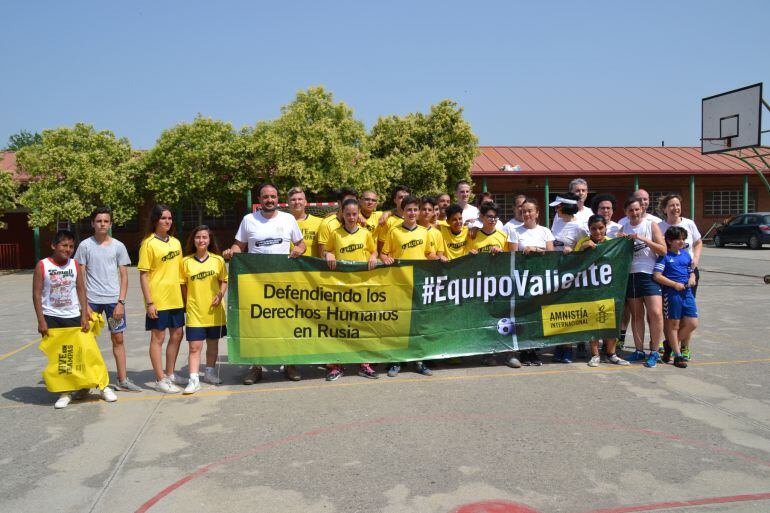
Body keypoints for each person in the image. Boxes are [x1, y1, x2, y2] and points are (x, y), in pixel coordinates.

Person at [224, 183, 306, 384]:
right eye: (265, 196)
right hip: (256, 285)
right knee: (257, 326)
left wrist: (299, 250)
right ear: (259, 200)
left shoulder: (288, 219)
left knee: (285, 323)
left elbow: (301, 244)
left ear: (278, 199)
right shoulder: (248, 220)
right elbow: (238, 245)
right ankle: (256, 367)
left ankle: (289, 363)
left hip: (283, 283)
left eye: (273, 196)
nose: (270, 200)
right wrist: (231, 251)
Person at [34, 230, 118, 408]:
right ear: (53, 246)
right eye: (64, 245)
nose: (68, 249)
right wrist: (41, 320)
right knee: (63, 358)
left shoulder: (74, 264)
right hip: (52, 317)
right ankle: (66, 392)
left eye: (71, 246)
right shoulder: (42, 265)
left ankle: (103, 386)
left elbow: (81, 290)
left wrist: (84, 314)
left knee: (88, 352)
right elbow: (36, 294)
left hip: (74, 315)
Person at [74, 207, 140, 392]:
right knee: (87, 340)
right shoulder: (85, 246)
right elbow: (80, 276)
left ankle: (122, 380)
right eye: (99, 221)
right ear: (93, 223)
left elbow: (124, 277)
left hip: (113, 301)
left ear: (110, 224)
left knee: (118, 338)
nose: (102, 224)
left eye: (106, 221)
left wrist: (121, 302)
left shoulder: (118, 246)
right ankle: (86, 382)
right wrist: (84, 304)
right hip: (92, 301)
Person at [381, 195, 437, 377]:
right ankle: (396, 361)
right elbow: (384, 253)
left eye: (415, 210)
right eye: (409, 210)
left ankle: (419, 361)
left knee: (418, 324)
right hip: (399, 284)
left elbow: (429, 254)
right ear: (402, 212)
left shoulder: (425, 232)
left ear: (419, 212)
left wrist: (439, 258)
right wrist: (385, 258)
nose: (412, 213)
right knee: (399, 324)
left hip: (419, 284)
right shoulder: (394, 231)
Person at [324, 199, 380, 380]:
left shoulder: (365, 234)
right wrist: (329, 253)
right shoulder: (335, 233)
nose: (351, 217)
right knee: (339, 326)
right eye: (347, 214)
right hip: (340, 286)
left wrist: (373, 256)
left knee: (362, 325)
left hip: (361, 286)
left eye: (354, 214)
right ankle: (337, 365)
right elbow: (327, 251)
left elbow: (374, 251)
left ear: (358, 214)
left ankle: (364, 364)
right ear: (342, 213)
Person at [138, 205, 186, 393]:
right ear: (156, 220)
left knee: (177, 334)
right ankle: (160, 379)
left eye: (170, 218)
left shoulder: (175, 242)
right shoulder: (148, 243)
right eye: (164, 218)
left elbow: (181, 273)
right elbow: (143, 275)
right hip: (158, 299)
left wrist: (185, 297)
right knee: (158, 337)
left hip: (175, 298)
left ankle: (170, 373)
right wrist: (149, 302)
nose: (168, 221)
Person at [618, 196, 667, 368]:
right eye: (630, 210)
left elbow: (663, 249)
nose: (634, 213)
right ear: (626, 212)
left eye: (637, 209)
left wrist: (642, 239)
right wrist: (622, 241)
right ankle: (639, 350)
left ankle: (654, 351)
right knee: (637, 315)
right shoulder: (622, 228)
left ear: (642, 209)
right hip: (631, 275)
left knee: (655, 313)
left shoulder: (650, 225)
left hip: (649, 274)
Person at [574, 215, 630, 367]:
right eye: (593, 228)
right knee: (593, 321)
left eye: (600, 228)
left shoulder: (613, 243)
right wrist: (583, 247)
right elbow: (573, 260)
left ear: (606, 228)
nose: (597, 231)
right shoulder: (583, 241)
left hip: (610, 288)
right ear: (589, 229)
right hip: (590, 288)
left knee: (611, 319)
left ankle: (611, 353)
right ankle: (595, 354)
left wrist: (624, 241)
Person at [507, 197, 555, 367]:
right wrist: (526, 252)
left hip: (540, 280)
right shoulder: (514, 231)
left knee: (538, 315)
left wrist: (534, 250)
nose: (526, 213)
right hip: (522, 281)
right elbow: (512, 256)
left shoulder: (545, 231)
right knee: (523, 315)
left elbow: (551, 254)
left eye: (530, 211)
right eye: (524, 211)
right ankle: (524, 350)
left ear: (537, 213)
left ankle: (534, 350)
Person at [181, 226, 228, 393]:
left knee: (213, 343)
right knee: (194, 346)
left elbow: (224, 280)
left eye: (204, 237)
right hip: (195, 311)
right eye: (198, 237)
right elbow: (183, 286)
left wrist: (220, 295)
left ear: (209, 240)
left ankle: (209, 372)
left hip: (214, 311)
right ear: (193, 240)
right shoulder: (185, 262)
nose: (201, 240)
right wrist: (188, 302)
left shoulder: (218, 260)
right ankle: (193, 379)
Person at [658, 193, 702, 361]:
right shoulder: (659, 226)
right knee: (672, 316)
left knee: (688, 315)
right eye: (671, 205)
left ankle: (681, 347)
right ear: (664, 209)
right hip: (669, 275)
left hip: (689, 272)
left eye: (678, 204)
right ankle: (674, 346)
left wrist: (695, 260)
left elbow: (698, 243)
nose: (675, 208)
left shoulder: (689, 224)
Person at [548, 193, 588, 362]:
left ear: (566, 207)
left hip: (571, 275)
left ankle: (568, 348)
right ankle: (559, 345)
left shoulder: (579, 227)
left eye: (559, 206)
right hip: (555, 272)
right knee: (556, 311)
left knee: (568, 312)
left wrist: (574, 252)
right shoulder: (556, 221)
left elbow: (586, 248)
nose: (556, 209)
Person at [653, 226, 698, 369]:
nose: (681, 241)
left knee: (692, 323)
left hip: (687, 292)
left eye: (683, 239)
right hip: (672, 294)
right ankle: (678, 355)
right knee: (674, 325)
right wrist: (674, 284)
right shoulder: (664, 256)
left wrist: (692, 277)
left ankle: (669, 345)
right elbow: (657, 276)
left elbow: (691, 271)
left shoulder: (685, 255)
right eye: (678, 239)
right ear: (669, 241)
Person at [317, 186, 358, 257]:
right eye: (347, 201)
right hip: (337, 267)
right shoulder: (326, 224)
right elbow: (322, 255)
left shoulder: (360, 221)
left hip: (357, 267)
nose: (350, 204)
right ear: (339, 203)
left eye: (353, 201)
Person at [288, 187, 323, 257]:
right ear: (288, 203)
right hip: (290, 267)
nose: (297, 202)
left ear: (305, 202)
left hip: (312, 267)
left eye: (300, 199)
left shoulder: (320, 222)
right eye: (293, 200)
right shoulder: (283, 223)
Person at [377, 185, 410, 254]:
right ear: (395, 200)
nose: (404, 200)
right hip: (393, 262)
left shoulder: (416, 219)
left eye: (406, 197)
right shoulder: (387, 220)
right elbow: (381, 245)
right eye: (401, 197)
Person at [418, 196, 446, 262]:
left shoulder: (437, 233)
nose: (427, 212)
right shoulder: (411, 230)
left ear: (433, 212)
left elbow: (439, 256)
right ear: (418, 211)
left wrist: (439, 258)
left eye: (430, 210)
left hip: (431, 270)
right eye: (424, 209)